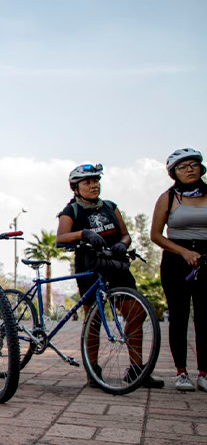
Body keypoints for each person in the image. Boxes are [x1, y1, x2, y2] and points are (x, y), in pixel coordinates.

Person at [56, 163, 164, 389]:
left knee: (136, 313)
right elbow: (61, 238)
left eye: (96, 181)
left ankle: (136, 369)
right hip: (90, 266)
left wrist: (122, 246)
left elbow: (125, 235)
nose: (93, 185)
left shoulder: (110, 207)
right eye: (87, 182)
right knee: (93, 320)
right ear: (75, 187)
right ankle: (93, 370)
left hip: (115, 263)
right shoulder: (71, 211)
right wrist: (83, 233)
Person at [151, 148, 207, 392]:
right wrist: (183, 252)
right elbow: (155, 235)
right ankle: (181, 372)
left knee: (205, 319)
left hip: (205, 259)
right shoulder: (168, 198)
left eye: (194, 164)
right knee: (179, 316)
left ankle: (204, 372)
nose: (190, 169)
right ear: (174, 173)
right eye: (184, 166)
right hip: (176, 261)